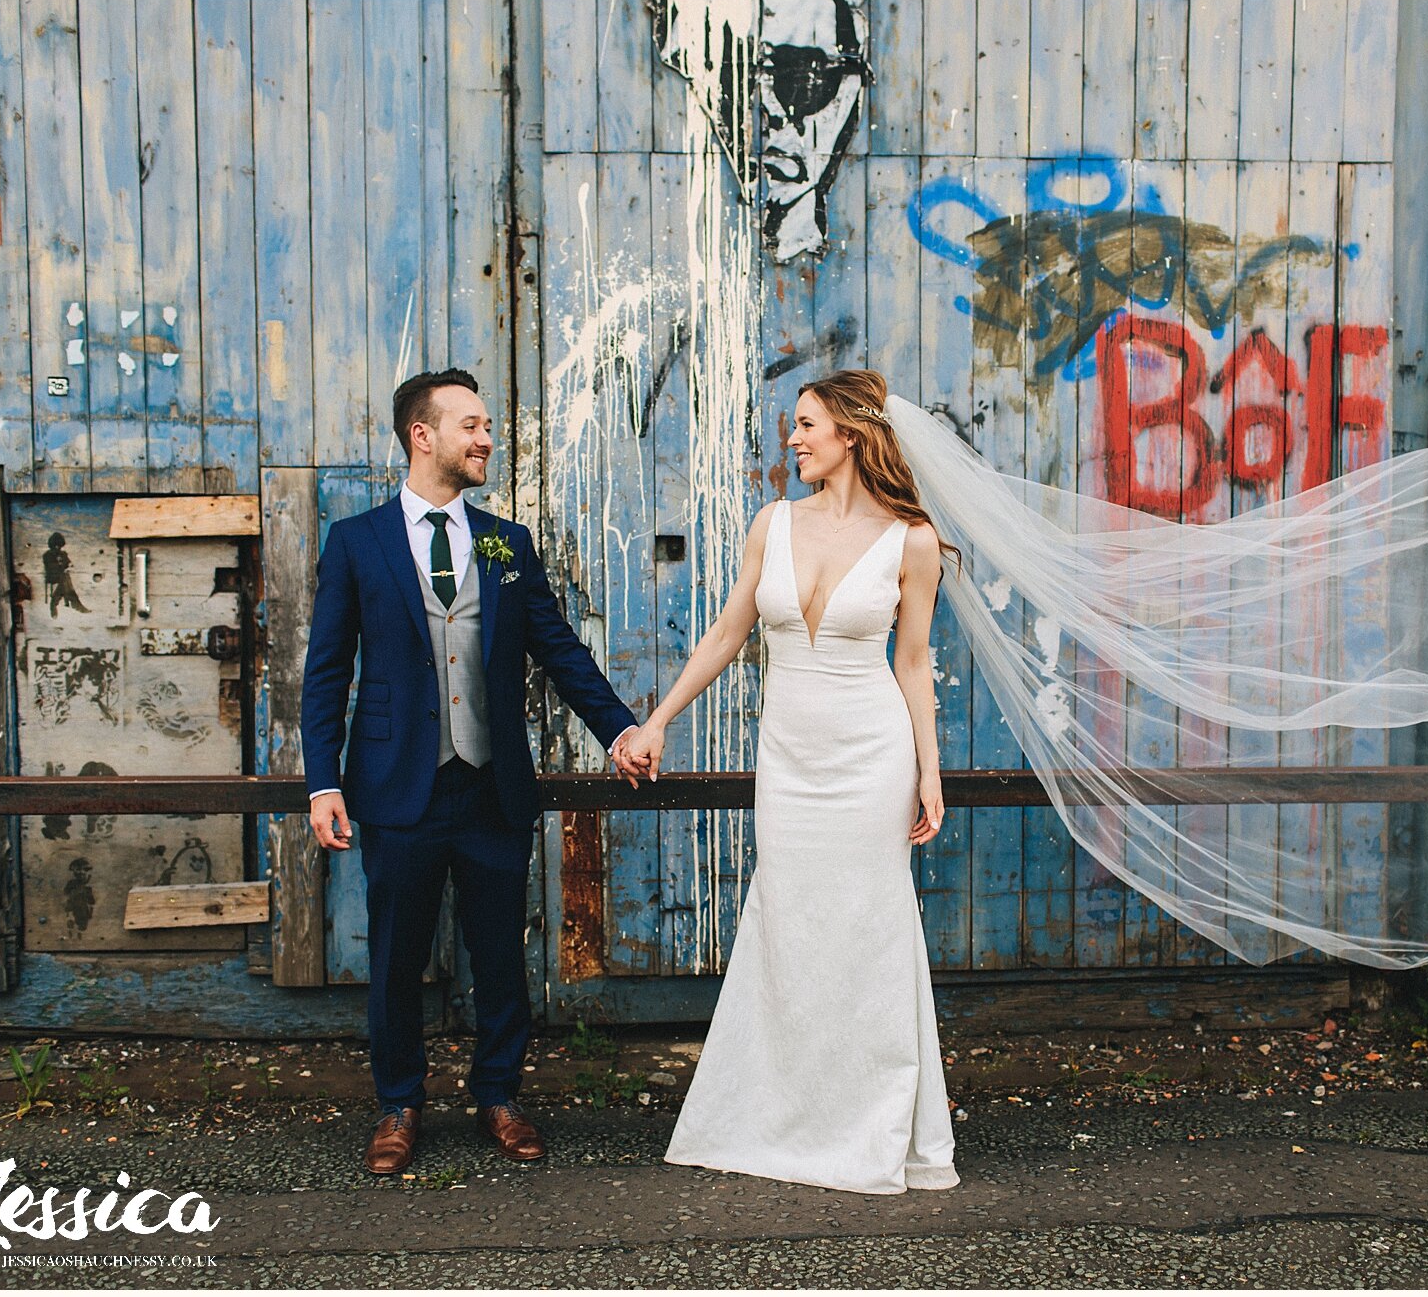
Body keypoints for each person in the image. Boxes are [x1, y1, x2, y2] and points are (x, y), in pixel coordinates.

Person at [618, 368, 961, 1195]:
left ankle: (871, 1124)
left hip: (870, 754)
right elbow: (729, 629)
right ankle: (780, 1114)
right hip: (790, 758)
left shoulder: (911, 539)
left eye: (806, 425)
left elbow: (913, 663)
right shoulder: (773, 522)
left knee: (867, 926)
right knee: (790, 921)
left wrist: (929, 770)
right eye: (793, 427)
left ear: (850, 432)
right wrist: (657, 718)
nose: (794, 439)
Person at [301, 367, 642, 1175]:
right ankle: (398, 1106)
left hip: (491, 786)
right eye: (472, 426)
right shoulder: (359, 541)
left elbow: (555, 646)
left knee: (499, 956)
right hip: (395, 787)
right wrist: (323, 781)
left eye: (488, 426)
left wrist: (620, 728)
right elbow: (326, 671)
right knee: (394, 958)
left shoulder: (501, 541)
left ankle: (499, 1095)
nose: (487, 438)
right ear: (423, 435)